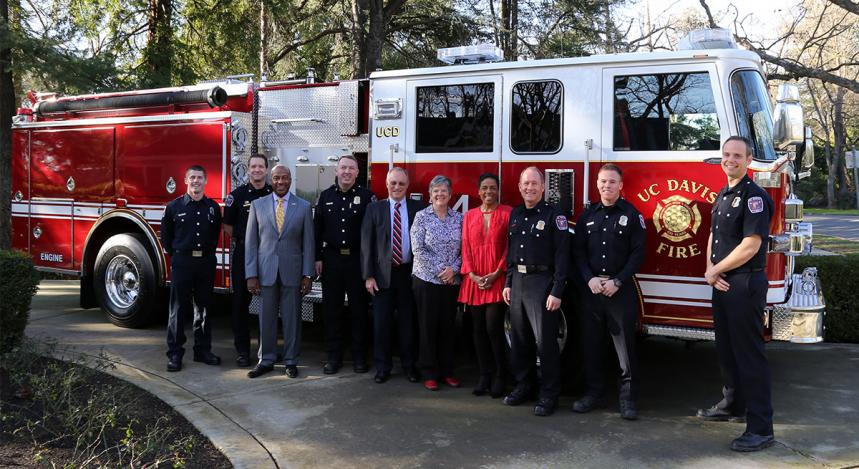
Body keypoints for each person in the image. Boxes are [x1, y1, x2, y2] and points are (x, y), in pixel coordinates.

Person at [697, 136, 775, 452]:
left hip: (744, 284)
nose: (730, 160)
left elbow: (751, 245)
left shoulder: (753, 197)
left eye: (737, 156)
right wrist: (710, 270)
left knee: (749, 356)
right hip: (723, 283)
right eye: (726, 154)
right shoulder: (724, 193)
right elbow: (714, 234)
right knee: (727, 350)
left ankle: (761, 428)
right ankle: (733, 405)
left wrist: (715, 272)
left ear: (748, 159)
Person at [572, 163, 646, 420]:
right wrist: (589, 278)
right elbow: (578, 251)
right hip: (592, 291)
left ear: (620, 185)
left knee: (624, 349)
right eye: (603, 181)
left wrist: (618, 281)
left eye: (612, 182)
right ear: (597, 184)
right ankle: (593, 394)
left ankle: (627, 400)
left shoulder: (632, 215)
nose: (607, 186)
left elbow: (638, 253)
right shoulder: (588, 215)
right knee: (591, 346)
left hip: (619, 291)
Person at [502, 167, 569, 416]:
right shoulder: (516, 214)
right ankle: (524, 386)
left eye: (534, 184)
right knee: (520, 341)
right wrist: (508, 282)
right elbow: (511, 252)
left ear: (543, 187)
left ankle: (549, 394)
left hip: (542, 282)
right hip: (519, 281)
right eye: (525, 184)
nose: (529, 188)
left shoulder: (554, 216)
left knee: (546, 343)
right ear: (519, 187)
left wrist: (557, 290)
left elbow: (563, 257)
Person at [244, 165, 314, 379]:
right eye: (276, 178)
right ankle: (266, 360)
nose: (281, 182)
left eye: (285, 178)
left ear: (291, 180)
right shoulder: (257, 205)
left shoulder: (303, 206)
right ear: (270, 180)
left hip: (292, 272)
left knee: (292, 319)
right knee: (266, 319)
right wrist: (251, 274)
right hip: (265, 272)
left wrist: (308, 274)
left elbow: (308, 244)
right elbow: (251, 243)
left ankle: (291, 361)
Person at [361, 167, 424, 384]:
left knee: (408, 325)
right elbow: (366, 245)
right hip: (381, 277)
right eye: (393, 183)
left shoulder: (419, 208)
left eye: (401, 183)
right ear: (387, 185)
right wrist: (368, 276)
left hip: (409, 275)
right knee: (382, 326)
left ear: (408, 186)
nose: (397, 187)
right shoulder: (374, 209)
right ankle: (383, 367)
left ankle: (409, 366)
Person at [315, 155, 376, 375]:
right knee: (332, 311)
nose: (347, 172)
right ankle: (333, 357)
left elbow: (373, 232)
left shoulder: (368, 197)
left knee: (359, 311)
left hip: (357, 260)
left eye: (351, 168)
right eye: (343, 168)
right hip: (331, 260)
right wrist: (317, 257)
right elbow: (317, 228)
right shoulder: (326, 196)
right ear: (336, 171)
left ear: (358, 172)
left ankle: (360, 357)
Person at [161, 165, 223, 372]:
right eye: (192, 178)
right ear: (186, 180)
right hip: (182, 262)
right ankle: (175, 354)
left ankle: (202, 350)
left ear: (206, 181)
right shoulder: (174, 207)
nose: (196, 181)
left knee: (204, 308)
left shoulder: (213, 208)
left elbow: (214, 235)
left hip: (205, 262)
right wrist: (180, 255)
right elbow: (166, 239)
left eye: (200, 178)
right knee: (178, 309)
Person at [458, 173, 512, 398]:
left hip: (496, 278)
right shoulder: (469, 215)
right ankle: (484, 375)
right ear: (478, 192)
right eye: (484, 188)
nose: (488, 192)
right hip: (474, 280)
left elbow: (511, 247)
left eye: (492, 188)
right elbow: (465, 247)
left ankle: (501, 376)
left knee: (494, 329)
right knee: (477, 330)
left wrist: (497, 272)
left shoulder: (508, 213)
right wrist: (471, 274)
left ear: (498, 190)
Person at [411, 175, 463, 392]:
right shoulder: (421, 217)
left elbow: (466, 249)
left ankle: (448, 371)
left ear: (450, 195)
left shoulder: (459, 218)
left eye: (444, 191)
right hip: (426, 280)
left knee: (448, 327)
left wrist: (455, 270)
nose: (440, 194)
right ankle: (429, 372)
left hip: (451, 282)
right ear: (430, 195)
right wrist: (441, 271)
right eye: (436, 191)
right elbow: (418, 249)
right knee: (427, 327)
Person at [223, 154, 273, 367]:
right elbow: (228, 227)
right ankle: (243, 351)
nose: (257, 170)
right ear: (248, 169)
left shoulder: (275, 194)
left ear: (267, 169)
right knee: (240, 304)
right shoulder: (237, 195)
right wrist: (248, 241)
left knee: (269, 304)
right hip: (244, 254)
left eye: (261, 166)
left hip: (269, 254)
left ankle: (267, 350)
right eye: (253, 166)